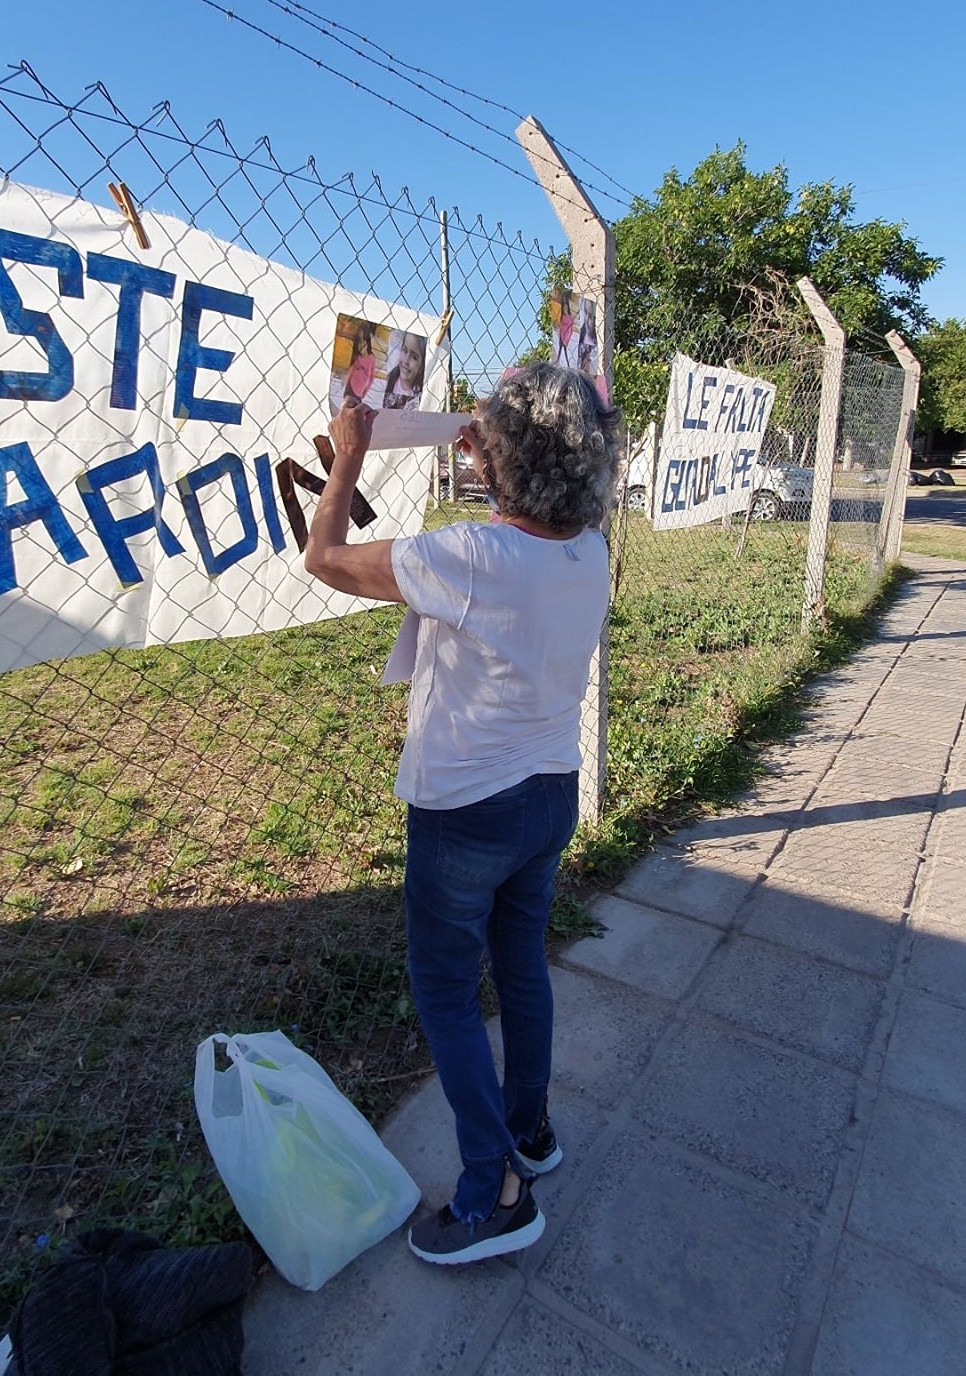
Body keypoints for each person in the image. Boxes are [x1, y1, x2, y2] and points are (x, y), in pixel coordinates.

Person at [302, 361, 622, 1266]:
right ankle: (533, 1130)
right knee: (520, 965)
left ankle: (493, 1190)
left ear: (501, 461)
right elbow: (522, 519)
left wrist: (351, 457)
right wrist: (493, 449)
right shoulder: (585, 548)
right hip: (549, 792)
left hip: (467, 811)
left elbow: (325, 559)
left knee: (445, 987)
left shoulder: (472, 557)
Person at [382, 331, 426, 409]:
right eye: (404, 351)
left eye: (414, 357)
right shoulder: (390, 380)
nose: (406, 361)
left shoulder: (422, 395)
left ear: (421, 367)